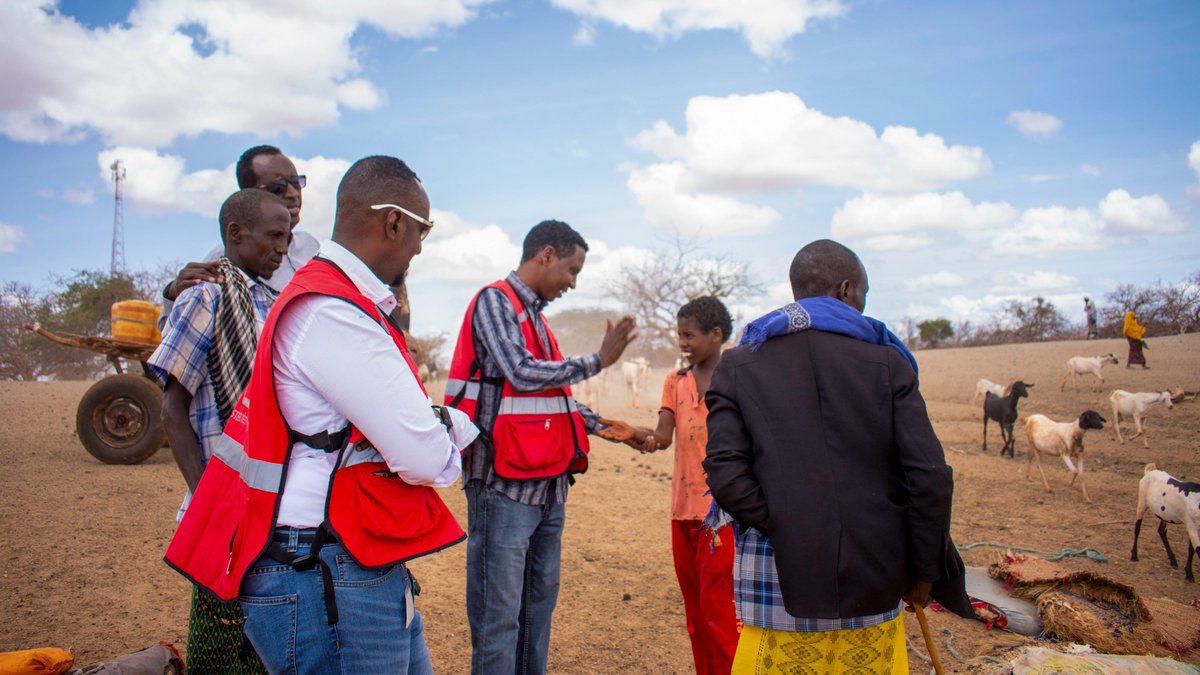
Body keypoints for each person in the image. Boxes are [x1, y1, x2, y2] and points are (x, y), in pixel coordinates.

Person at [165, 156, 475, 674]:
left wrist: (427, 429)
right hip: (325, 573)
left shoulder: (334, 297)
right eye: (422, 230)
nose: (421, 245)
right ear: (393, 222)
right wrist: (450, 430)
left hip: (337, 563)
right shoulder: (334, 312)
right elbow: (424, 457)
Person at [703, 239, 971, 674]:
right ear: (846, 289)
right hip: (875, 569)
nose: (864, 305)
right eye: (864, 292)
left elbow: (725, 473)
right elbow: (928, 477)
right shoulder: (887, 360)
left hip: (778, 578)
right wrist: (924, 572)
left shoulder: (737, 365)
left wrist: (788, 522)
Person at [443, 219, 647, 675]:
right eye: (571, 270)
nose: (572, 283)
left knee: (536, 611)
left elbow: (552, 400)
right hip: (502, 486)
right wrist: (598, 361)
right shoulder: (494, 302)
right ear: (546, 255)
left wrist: (616, 428)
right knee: (499, 619)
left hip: (546, 486)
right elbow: (520, 372)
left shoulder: (536, 318)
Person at [147, 188, 291, 675]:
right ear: (235, 233)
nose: (283, 247)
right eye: (273, 236)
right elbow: (173, 409)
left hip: (263, 501)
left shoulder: (269, 304)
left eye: (288, 237)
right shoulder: (205, 296)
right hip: (222, 502)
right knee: (218, 639)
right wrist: (209, 500)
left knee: (260, 640)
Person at [640, 296, 740, 675]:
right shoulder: (676, 382)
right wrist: (638, 436)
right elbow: (663, 436)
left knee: (720, 614)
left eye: (689, 335)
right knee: (696, 616)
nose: (682, 342)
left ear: (716, 335)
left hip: (722, 516)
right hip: (682, 513)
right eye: (679, 335)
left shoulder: (737, 378)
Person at [160, 145, 318, 316]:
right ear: (250, 195)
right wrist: (174, 294)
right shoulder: (225, 260)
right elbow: (180, 328)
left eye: (296, 182)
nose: (293, 193)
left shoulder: (311, 247)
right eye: (278, 187)